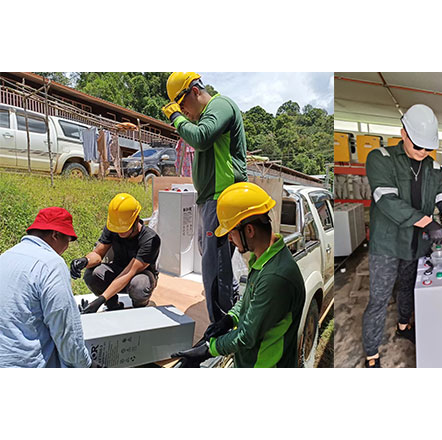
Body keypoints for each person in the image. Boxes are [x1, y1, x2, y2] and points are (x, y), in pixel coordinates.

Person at [362, 104, 442, 368]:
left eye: (428, 148)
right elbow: (387, 199)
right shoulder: (380, 158)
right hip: (387, 243)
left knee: (407, 287)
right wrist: (429, 223)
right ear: (403, 133)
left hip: (416, 244)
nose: (423, 153)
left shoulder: (435, 169)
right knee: (380, 298)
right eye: (418, 146)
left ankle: (404, 325)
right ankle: (371, 351)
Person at [171, 182, 306, 368]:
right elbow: (251, 300)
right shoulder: (264, 258)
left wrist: (208, 349)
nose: (228, 239)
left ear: (249, 230)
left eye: (231, 232)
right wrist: (230, 318)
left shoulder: (275, 277)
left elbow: (246, 336)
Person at [162, 72, 248, 324]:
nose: (183, 112)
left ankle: (220, 329)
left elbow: (201, 138)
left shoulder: (220, 106)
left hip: (222, 199)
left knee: (214, 268)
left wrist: (175, 118)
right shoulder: (204, 116)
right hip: (210, 199)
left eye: (181, 105)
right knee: (215, 261)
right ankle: (229, 311)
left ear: (194, 91)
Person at [0, 207, 95, 368]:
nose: (67, 247)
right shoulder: (51, 264)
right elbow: (66, 332)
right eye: (68, 240)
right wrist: (86, 365)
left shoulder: (6, 256)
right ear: (55, 235)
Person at [70, 193, 160, 313]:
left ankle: (140, 308)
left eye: (123, 229)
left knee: (139, 286)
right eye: (117, 230)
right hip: (118, 269)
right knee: (92, 274)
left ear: (136, 219)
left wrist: (100, 299)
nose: (119, 233)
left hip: (140, 275)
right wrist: (84, 261)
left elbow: (129, 272)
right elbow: (98, 254)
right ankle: (113, 306)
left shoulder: (150, 239)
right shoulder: (114, 227)